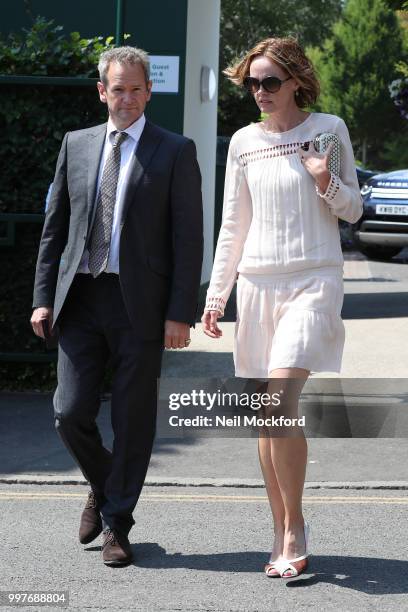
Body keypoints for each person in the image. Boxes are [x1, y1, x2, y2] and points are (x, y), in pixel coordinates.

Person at [31, 46, 203, 567]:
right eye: (116, 89)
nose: (126, 98)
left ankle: (117, 525)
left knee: (133, 419)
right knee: (68, 411)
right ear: (101, 91)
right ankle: (104, 484)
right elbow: (54, 228)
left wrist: (180, 313)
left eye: (135, 89)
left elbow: (188, 238)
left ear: (148, 92)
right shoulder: (76, 145)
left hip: (141, 306)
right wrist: (42, 299)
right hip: (80, 298)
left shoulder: (175, 150)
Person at [202, 37, 362, 578]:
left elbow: (354, 209)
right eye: (253, 83)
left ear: (296, 81)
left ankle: (294, 527)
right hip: (258, 285)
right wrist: (216, 294)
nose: (260, 92)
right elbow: (233, 224)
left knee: (279, 402)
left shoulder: (329, 130)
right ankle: (280, 528)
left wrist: (326, 180)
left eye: (271, 82)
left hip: (314, 279)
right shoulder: (244, 142)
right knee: (268, 418)